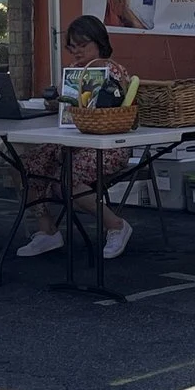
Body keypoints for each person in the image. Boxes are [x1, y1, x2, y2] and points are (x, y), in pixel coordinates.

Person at [17, 15, 136, 261]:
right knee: (26, 165)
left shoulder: (110, 70)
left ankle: (115, 225)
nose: (77, 51)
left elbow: (109, 107)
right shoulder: (75, 73)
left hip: (109, 144)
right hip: (72, 142)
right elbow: (71, 111)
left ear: (99, 43)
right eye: (73, 46)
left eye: (83, 45)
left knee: (66, 179)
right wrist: (56, 104)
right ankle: (47, 229)